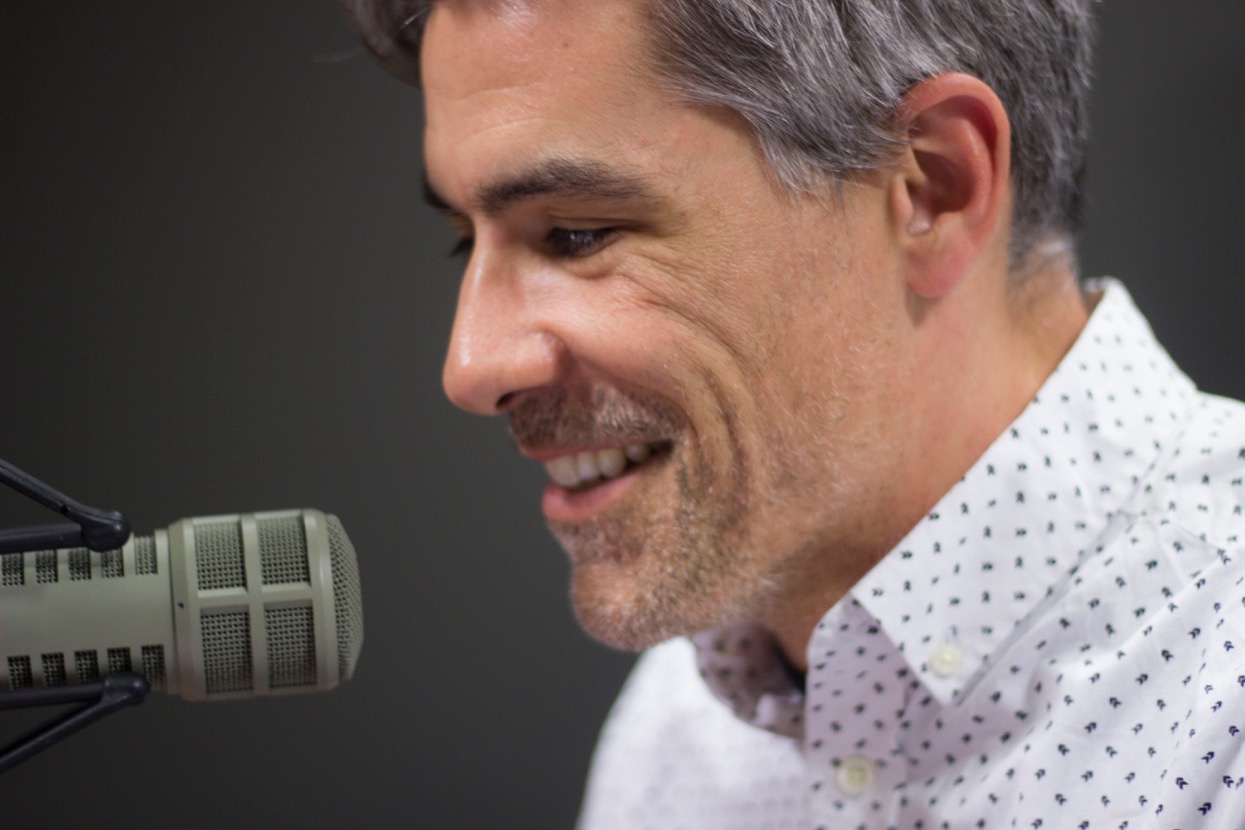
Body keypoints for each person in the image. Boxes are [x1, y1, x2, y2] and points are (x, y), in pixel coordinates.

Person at [343, 0, 1245, 826]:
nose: (470, 367)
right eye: (464, 241)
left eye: (577, 233)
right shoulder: (679, 733)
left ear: (933, 188)